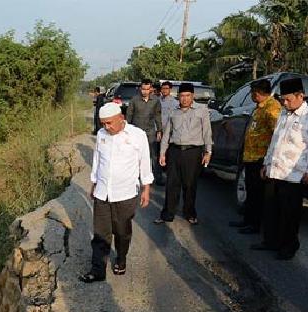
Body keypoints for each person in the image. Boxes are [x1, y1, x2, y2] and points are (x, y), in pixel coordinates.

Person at [79, 102, 153, 282]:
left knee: (122, 232)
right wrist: (94, 183)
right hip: (103, 192)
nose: (106, 127)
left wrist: (146, 189)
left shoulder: (137, 135)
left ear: (121, 118)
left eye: (109, 123)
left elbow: (145, 163)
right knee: (100, 233)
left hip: (126, 194)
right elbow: (97, 160)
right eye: (103, 123)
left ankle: (121, 259)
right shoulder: (102, 135)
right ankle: (98, 270)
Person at [251, 78, 308, 260]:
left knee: (289, 214)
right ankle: (270, 242)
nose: (285, 102)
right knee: (271, 210)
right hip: (274, 171)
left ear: (301, 96)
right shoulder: (284, 113)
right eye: (283, 99)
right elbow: (274, 141)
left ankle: (288, 246)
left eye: (288, 99)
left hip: (294, 174)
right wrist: (266, 164)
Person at [154, 82, 212, 225]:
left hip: (193, 152)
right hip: (174, 151)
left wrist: (208, 151)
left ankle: (190, 213)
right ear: (178, 96)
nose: (184, 99)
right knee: (172, 184)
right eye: (182, 96)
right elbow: (167, 134)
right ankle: (167, 213)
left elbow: (207, 132)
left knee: (190, 184)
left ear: (192, 96)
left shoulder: (202, 110)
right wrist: (162, 153)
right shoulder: (174, 111)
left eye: (187, 95)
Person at [228, 79, 282, 234]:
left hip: (260, 158)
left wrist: (268, 159)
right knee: (251, 192)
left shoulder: (272, 108)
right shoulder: (259, 107)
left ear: (257, 93)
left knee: (258, 194)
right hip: (250, 156)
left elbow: (276, 134)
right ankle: (248, 220)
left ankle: (255, 224)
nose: (251, 95)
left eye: (252, 93)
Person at [126, 79, 164, 185]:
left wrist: (159, 130)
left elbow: (157, 116)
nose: (145, 91)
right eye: (143, 89)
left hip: (150, 131)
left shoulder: (156, 100)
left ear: (151, 89)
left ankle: (158, 177)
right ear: (140, 88)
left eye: (147, 89)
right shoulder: (134, 100)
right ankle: (133, 177)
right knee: (134, 154)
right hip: (136, 131)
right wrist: (126, 130)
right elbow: (129, 115)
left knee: (154, 155)